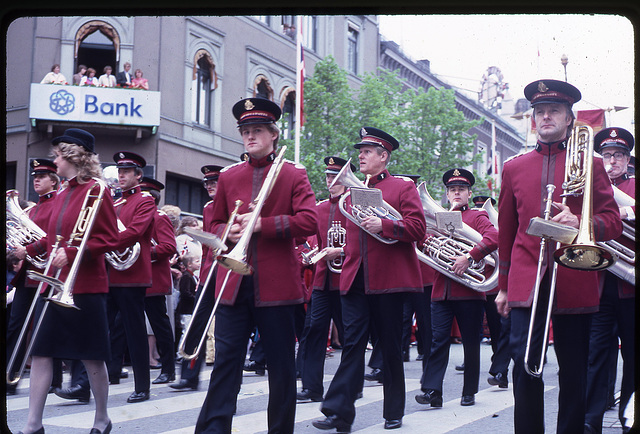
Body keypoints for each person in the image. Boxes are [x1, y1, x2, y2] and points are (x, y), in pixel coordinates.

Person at [495, 79, 621, 433]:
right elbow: (506, 231)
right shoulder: (514, 167)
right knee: (523, 363)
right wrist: (503, 287)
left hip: (574, 273)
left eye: (554, 111)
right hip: (525, 278)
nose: (545, 116)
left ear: (570, 118)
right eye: (540, 111)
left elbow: (612, 221)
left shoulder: (592, 164)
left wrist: (583, 223)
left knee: (574, 367)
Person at [195, 97, 317, 433]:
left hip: (277, 284)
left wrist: (262, 224)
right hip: (234, 284)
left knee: (280, 367)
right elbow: (214, 223)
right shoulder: (229, 175)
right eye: (246, 131)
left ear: (273, 134)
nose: (250, 136)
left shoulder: (293, 174)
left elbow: (308, 221)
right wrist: (228, 229)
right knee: (225, 363)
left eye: (258, 130)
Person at [313, 127, 426, 432]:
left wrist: (386, 225)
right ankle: (339, 412)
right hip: (354, 279)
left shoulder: (403, 188)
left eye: (367, 151)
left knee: (389, 347)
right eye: (360, 151)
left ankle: (393, 411)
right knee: (352, 345)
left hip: (389, 281)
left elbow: (418, 229)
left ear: (383, 156)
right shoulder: (350, 194)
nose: (360, 156)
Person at [15, 128, 118, 434]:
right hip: (55, 284)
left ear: (73, 156)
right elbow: (50, 236)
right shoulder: (63, 192)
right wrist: (27, 249)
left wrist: (73, 252)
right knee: (42, 351)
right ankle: (33, 424)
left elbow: (110, 239)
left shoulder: (97, 190)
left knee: (91, 356)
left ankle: (102, 417)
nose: (55, 161)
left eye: (58, 155)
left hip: (85, 286)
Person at [415, 168, 498, 408]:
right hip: (441, 290)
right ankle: (432, 391)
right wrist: (428, 242)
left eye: (461, 189)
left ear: (469, 193)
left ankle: (469, 390)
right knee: (437, 341)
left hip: (470, 291)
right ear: (448, 194)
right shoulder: (438, 216)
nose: (456, 193)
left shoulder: (476, 216)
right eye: (452, 190)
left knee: (471, 341)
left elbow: (493, 236)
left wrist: (469, 257)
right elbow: (422, 240)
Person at [584, 127, 635, 433]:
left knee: (633, 357)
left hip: (630, 286)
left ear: (627, 159)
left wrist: (628, 210)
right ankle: (590, 420)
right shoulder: (591, 188)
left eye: (617, 155)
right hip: (599, 283)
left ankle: (629, 419)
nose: (611, 161)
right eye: (605, 155)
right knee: (596, 354)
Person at [296, 156, 353, 403]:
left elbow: (364, 244)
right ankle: (311, 387)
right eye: (328, 176)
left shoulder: (354, 207)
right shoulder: (318, 209)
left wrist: (339, 252)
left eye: (335, 176)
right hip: (322, 281)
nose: (330, 181)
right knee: (314, 331)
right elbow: (307, 240)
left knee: (350, 335)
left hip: (347, 282)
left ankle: (351, 384)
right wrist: (307, 255)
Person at [6, 159, 59, 395]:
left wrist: (28, 250)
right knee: (15, 327)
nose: (36, 179)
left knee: (45, 328)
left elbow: (57, 237)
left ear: (54, 180)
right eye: (35, 176)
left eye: (42, 176)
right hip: (27, 275)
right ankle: (10, 378)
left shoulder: (59, 205)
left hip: (48, 276)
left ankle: (55, 380)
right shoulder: (31, 210)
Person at [106, 151, 155, 403]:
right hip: (109, 273)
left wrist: (104, 242)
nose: (121, 175)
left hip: (132, 275)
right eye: (119, 171)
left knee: (134, 333)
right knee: (102, 329)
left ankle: (142, 386)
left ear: (138, 175)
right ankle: (93, 380)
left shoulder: (145, 201)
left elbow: (136, 232)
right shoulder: (113, 203)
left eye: (126, 171)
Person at [171, 164, 223, 391]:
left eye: (214, 182)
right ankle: (189, 375)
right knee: (197, 323)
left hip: (230, 271)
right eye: (207, 183)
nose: (210, 186)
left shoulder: (232, 205)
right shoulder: (209, 207)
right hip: (209, 271)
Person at [140, 177, 178, 385]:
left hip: (153, 280)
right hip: (132, 279)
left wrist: (141, 253)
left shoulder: (159, 217)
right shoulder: (134, 217)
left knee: (159, 325)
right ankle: (114, 368)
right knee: (121, 325)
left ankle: (168, 369)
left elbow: (168, 247)